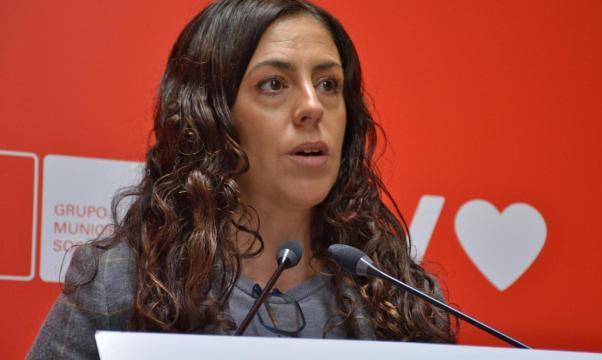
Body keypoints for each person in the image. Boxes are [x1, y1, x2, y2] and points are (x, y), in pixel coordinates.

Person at [28, 0, 456, 358]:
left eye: (328, 83)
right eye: (274, 84)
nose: (313, 107)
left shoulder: (403, 299)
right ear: (213, 117)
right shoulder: (123, 283)